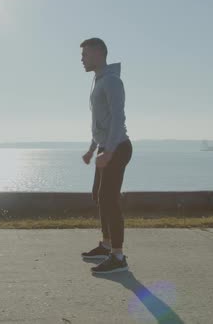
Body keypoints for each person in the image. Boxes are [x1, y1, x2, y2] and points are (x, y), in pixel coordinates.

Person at [79, 38, 133, 274]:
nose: (82, 59)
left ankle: (118, 257)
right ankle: (106, 245)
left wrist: (109, 151)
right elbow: (101, 123)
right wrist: (93, 149)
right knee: (99, 196)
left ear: (100, 54)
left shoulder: (111, 81)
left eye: (86, 54)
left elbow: (118, 120)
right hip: (106, 147)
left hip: (118, 147)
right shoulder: (99, 80)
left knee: (109, 199)